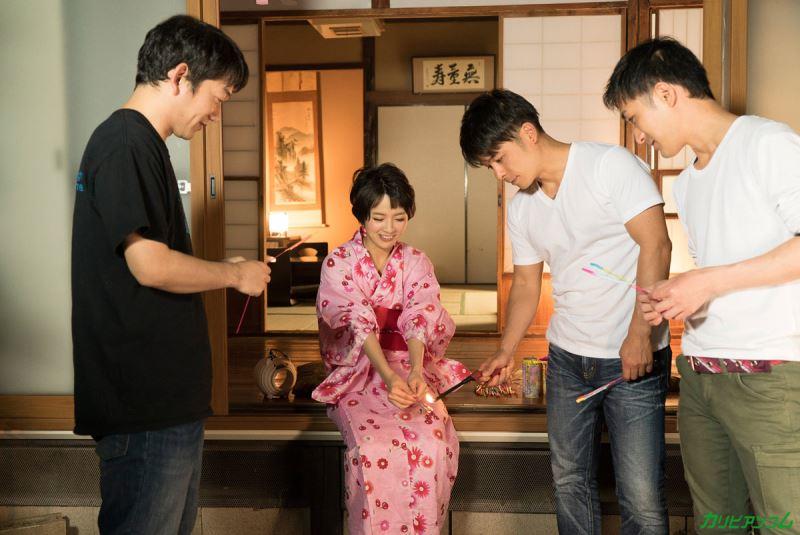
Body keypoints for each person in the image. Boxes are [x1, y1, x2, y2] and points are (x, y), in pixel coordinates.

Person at [71, 15, 270, 535]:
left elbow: (151, 257)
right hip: (144, 406)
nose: (215, 115)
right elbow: (150, 265)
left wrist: (224, 269)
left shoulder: (142, 144)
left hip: (162, 403)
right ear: (181, 75)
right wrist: (233, 278)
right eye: (218, 98)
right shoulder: (125, 143)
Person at [604, 37, 800, 534]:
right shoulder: (688, 182)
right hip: (700, 376)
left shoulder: (767, 143)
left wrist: (706, 282)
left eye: (634, 118)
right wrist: (678, 297)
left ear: (666, 94)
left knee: (784, 523)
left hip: (769, 377)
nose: (639, 136)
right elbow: (724, 275)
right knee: (720, 525)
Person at [461, 89, 673, 535]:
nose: (500, 174)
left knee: (641, 497)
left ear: (527, 133)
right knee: (569, 483)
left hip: (631, 358)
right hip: (567, 361)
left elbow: (657, 245)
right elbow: (526, 283)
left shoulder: (609, 166)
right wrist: (506, 349)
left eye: (499, 159)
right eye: (490, 167)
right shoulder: (522, 207)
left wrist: (640, 336)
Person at [312, 164, 472, 535]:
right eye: (379, 217)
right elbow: (358, 320)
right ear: (362, 216)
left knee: (432, 443)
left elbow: (421, 314)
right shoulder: (340, 263)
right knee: (371, 448)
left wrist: (415, 371)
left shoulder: (416, 261)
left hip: (408, 364)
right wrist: (387, 376)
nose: (389, 228)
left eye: (399, 218)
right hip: (358, 370)